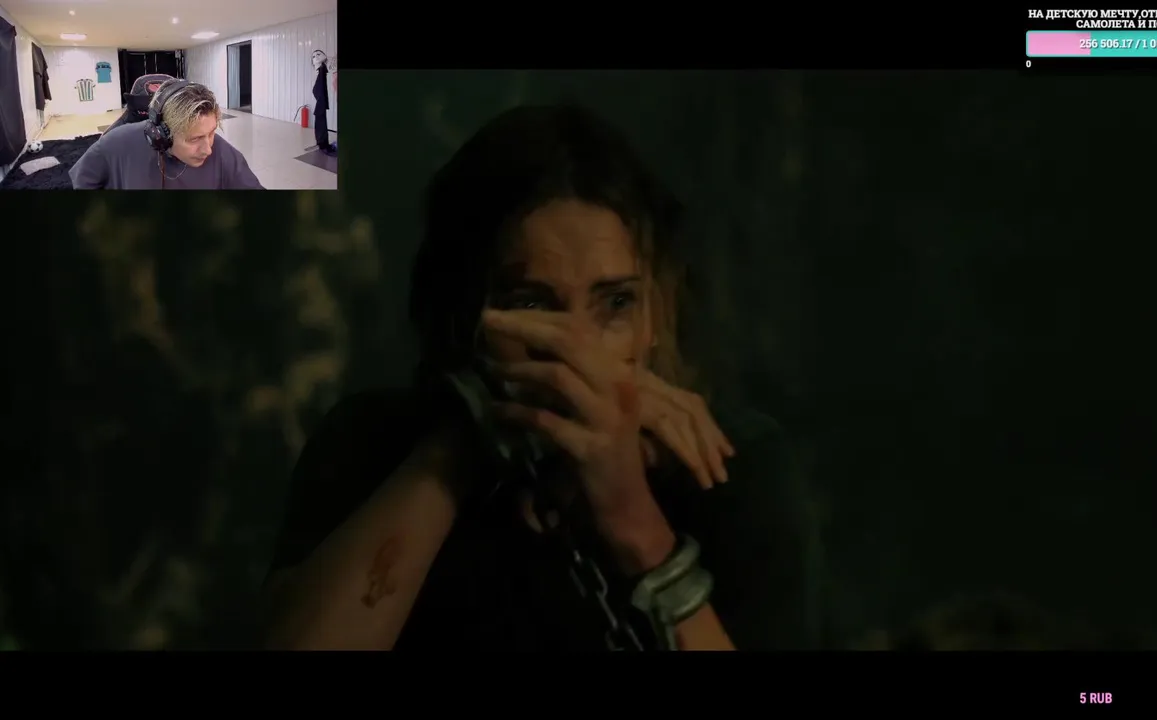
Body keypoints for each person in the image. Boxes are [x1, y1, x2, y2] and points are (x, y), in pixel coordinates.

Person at [263, 105, 824, 651]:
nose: (577, 349)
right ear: (462, 316)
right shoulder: (372, 443)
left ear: (653, 319)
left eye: (616, 304)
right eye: (532, 303)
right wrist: (461, 443)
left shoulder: (727, 468)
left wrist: (633, 520)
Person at [70, 79, 263, 190]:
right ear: (161, 134)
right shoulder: (117, 142)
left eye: (211, 133)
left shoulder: (222, 152)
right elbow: (84, 180)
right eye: (194, 139)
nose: (208, 149)